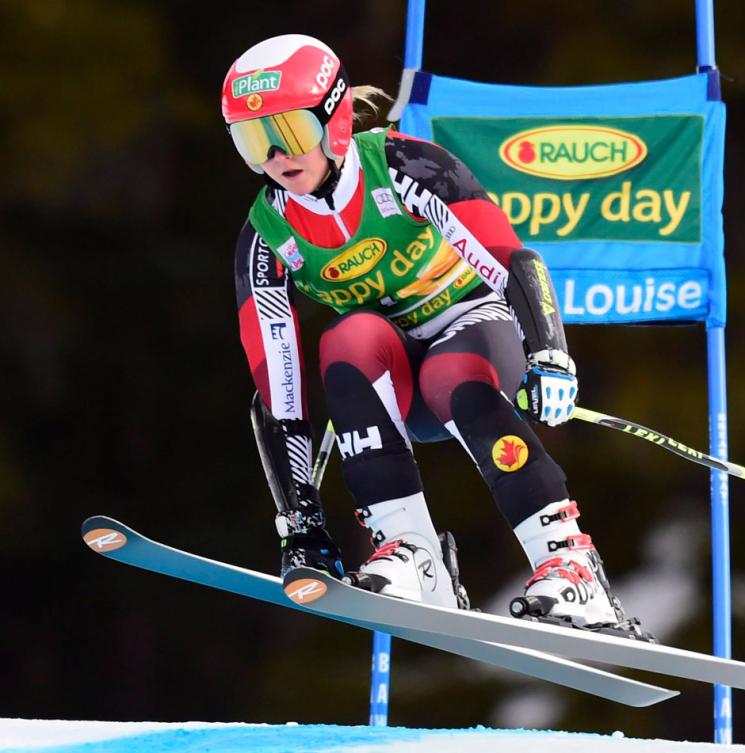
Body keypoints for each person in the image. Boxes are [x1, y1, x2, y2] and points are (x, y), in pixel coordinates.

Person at [222, 33, 646, 636]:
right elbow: (277, 393)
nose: (275, 156)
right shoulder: (267, 235)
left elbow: (513, 263)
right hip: (394, 382)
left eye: (288, 132)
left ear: (335, 117)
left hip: (473, 335)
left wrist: (550, 351)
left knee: (452, 373)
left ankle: (569, 561)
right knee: (344, 342)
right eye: (252, 140)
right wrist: (301, 521)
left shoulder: (406, 169)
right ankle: (413, 557)